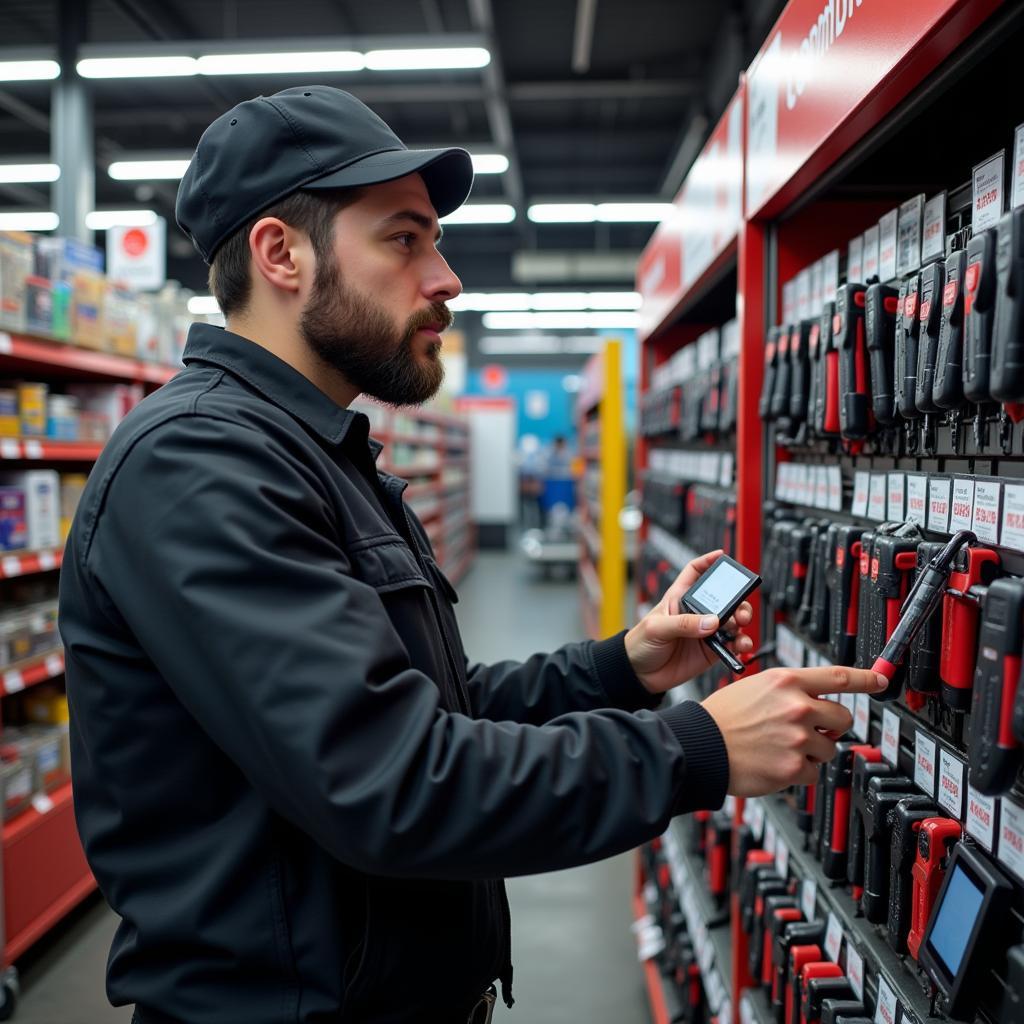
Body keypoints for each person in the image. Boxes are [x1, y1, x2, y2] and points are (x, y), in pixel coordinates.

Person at [57, 86, 889, 1024]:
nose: (447, 277)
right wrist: (693, 750)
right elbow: (390, 781)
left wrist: (618, 666)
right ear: (280, 253)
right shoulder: (201, 463)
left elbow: (429, 709)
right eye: (405, 238)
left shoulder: (315, 453)